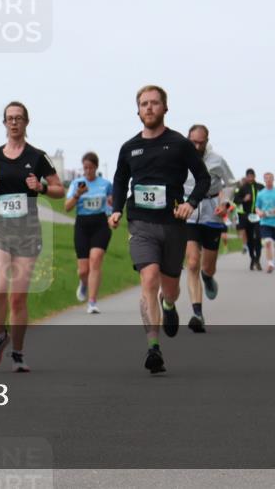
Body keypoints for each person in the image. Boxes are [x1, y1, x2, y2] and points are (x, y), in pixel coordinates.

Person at [109, 85, 210, 374]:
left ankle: (169, 305)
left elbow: (202, 178)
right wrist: (116, 209)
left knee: (171, 289)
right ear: (138, 110)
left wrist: (190, 203)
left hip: (173, 224)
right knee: (149, 278)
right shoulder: (129, 147)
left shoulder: (179, 144)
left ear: (165, 108)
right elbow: (120, 180)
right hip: (140, 223)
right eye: (144, 103)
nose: (149, 108)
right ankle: (153, 347)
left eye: (154, 103)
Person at [0, 102, 64, 372]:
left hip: (27, 231)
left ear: (26, 122)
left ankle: (17, 352)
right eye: (10, 118)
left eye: (18, 118)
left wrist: (41, 187)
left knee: (17, 297)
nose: (14, 122)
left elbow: (59, 189)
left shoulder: (37, 156)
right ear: (4, 123)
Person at [181, 124, 235, 333]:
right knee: (192, 262)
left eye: (201, 143)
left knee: (207, 266)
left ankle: (208, 277)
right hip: (189, 212)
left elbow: (230, 183)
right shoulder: (180, 157)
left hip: (212, 212)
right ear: (188, 139)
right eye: (193, 142)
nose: (197, 146)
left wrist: (225, 202)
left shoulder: (217, 160)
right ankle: (197, 313)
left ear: (207, 141)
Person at [64, 152, 114, 314]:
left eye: (91, 168)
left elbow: (112, 203)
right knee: (83, 270)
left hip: (100, 224)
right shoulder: (76, 184)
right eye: (85, 168)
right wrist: (78, 194)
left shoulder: (105, 184)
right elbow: (67, 207)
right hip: (82, 226)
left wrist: (112, 209)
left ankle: (92, 302)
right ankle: (84, 283)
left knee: (96, 260)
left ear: (96, 167)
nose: (88, 171)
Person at [234, 169, 264, 270]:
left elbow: (266, 198)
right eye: (249, 176)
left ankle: (258, 259)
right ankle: (252, 258)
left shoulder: (260, 187)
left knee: (258, 237)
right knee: (250, 239)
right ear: (246, 177)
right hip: (247, 216)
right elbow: (236, 200)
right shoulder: (243, 188)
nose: (250, 177)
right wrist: (244, 199)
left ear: (254, 176)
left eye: (252, 175)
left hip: (258, 216)